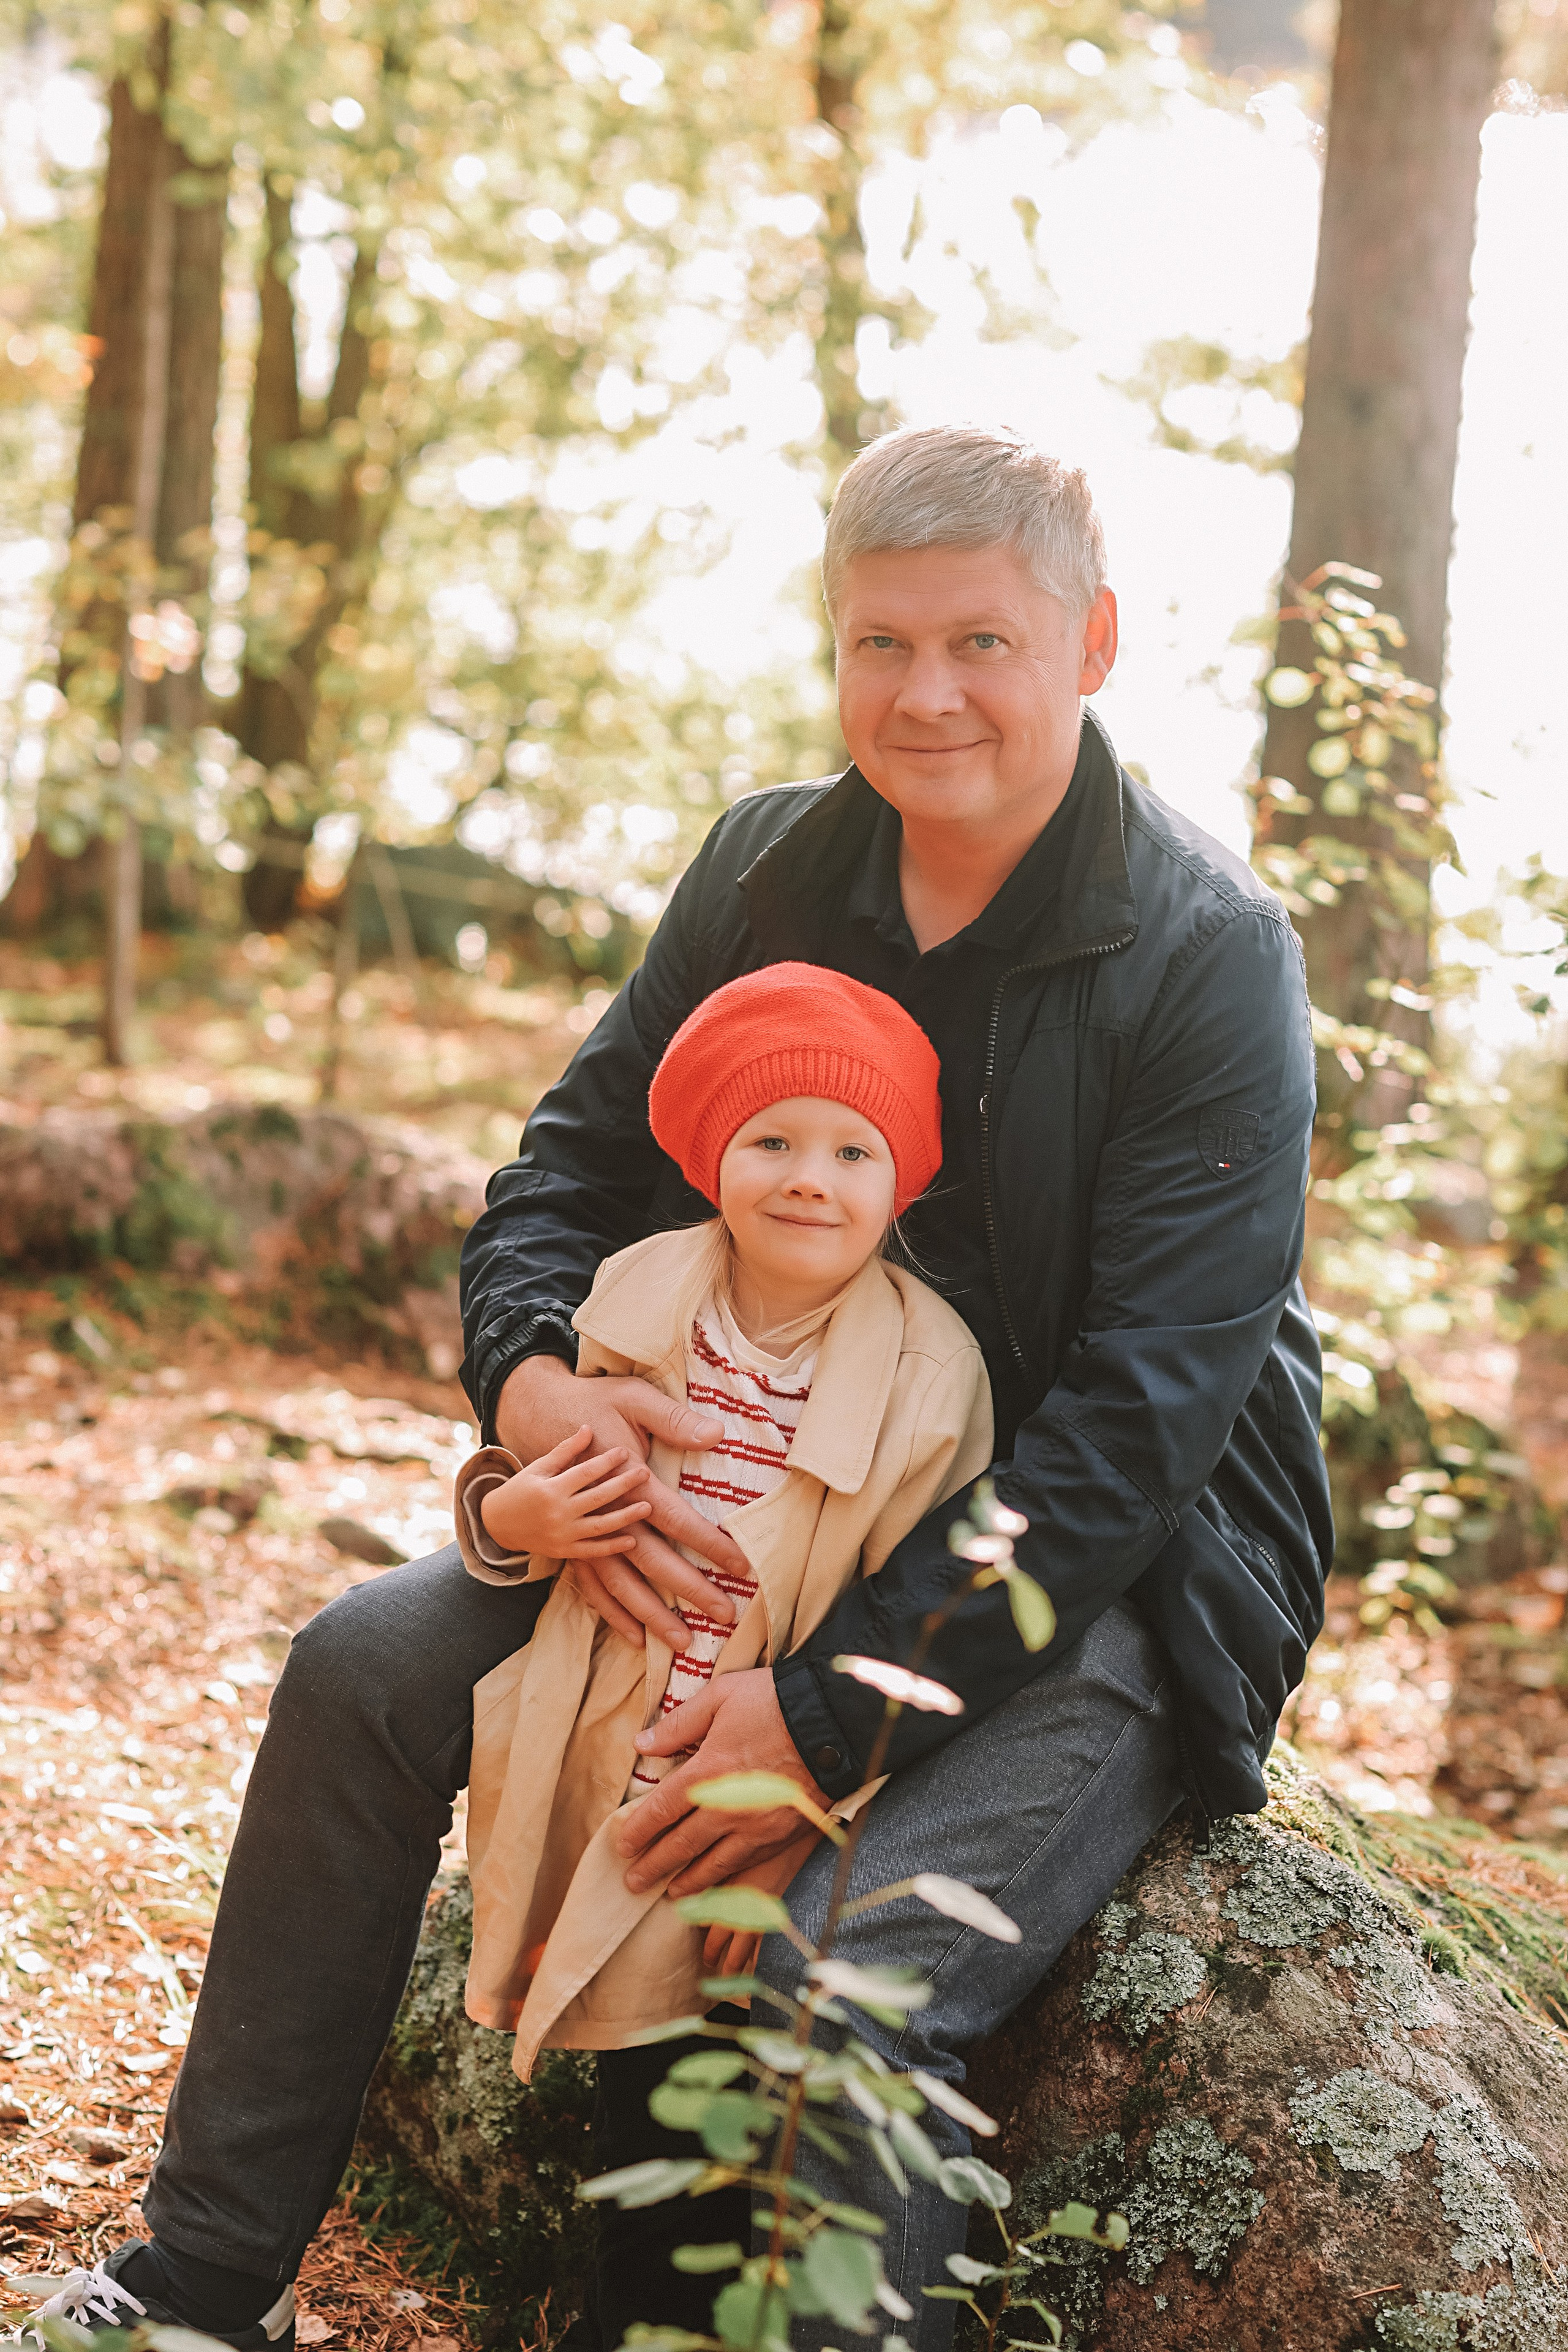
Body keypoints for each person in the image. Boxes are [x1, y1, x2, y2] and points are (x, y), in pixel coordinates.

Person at [15, 423, 1330, 2351]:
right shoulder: (769, 864)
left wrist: (816, 1714)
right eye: (881, 643)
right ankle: (195, 2288)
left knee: (826, 1986)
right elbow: (568, 1164)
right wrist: (533, 1388)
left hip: (1116, 1566)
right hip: (725, 1466)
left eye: (982, 641)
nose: (928, 692)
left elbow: (1143, 1415)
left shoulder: (1213, 958)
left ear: (1096, 645)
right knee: (362, 1672)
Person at [448, 964, 990, 2330]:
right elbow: (541, 1512)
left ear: (902, 1183)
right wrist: (518, 1509)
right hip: (608, 1748)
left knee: (727, 2086)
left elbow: (925, 1620)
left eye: (851, 1151)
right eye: (772, 1141)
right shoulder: (636, 1295)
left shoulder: (934, 1381)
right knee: (634, 2088)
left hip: (762, 1781)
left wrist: (829, 1786)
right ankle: (626, 2311)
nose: (810, 1178)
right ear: (709, 1162)